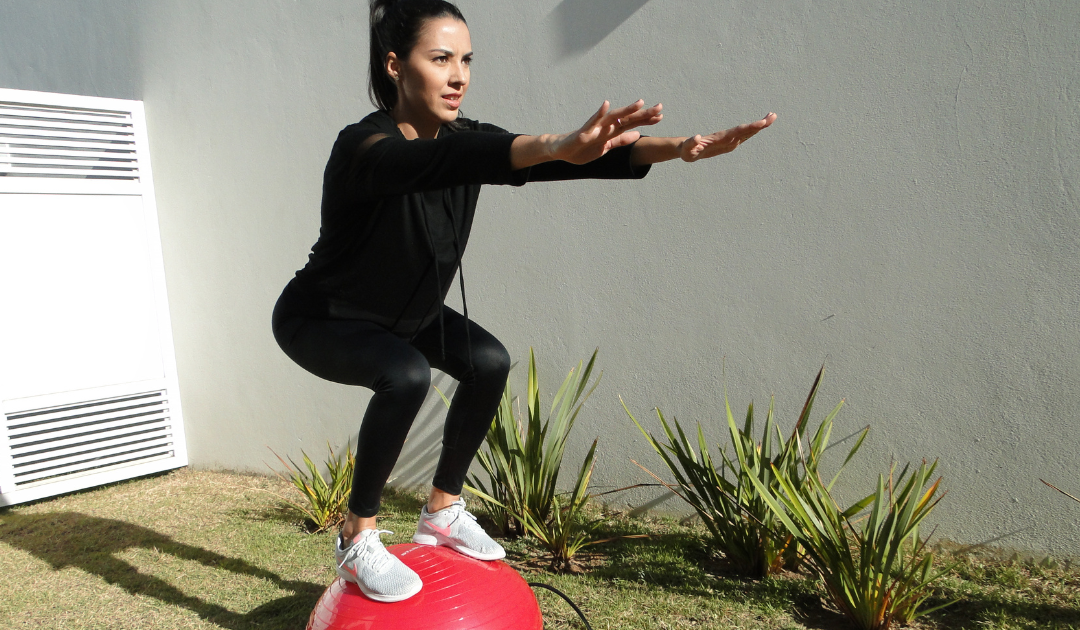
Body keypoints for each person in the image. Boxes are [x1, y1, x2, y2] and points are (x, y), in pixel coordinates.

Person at [272, 0, 776, 603]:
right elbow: (449, 160)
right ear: (395, 66)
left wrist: (679, 148)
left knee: (487, 360)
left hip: (406, 314)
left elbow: (563, 160)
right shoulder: (364, 147)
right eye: (440, 59)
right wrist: (554, 142)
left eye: (466, 60)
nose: (459, 75)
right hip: (323, 316)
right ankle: (358, 536)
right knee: (404, 374)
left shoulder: (467, 139)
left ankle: (442, 510)